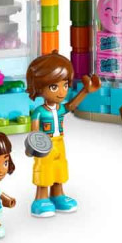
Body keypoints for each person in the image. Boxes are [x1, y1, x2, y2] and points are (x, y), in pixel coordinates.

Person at [26, 52, 101, 218]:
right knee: (44, 170)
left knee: (60, 168)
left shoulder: (60, 108)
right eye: (54, 87)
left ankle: (58, 195)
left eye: (65, 85)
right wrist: (33, 147)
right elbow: (34, 132)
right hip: (45, 144)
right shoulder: (39, 112)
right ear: (39, 87)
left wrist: (85, 91)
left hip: (60, 143)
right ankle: (40, 199)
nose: (62, 91)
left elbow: (72, 106)